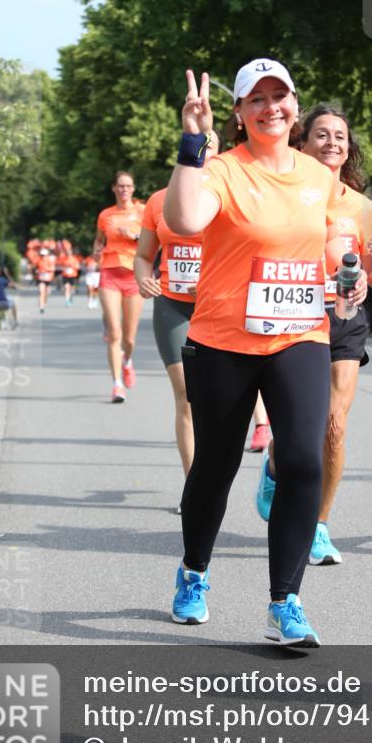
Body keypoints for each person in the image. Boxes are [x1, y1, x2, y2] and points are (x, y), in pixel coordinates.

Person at [164, 58, 343, 647]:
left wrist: (352, 279)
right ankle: (194, 573)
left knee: (302, 460)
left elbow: (335, 252)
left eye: (281, 96)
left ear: (296, 103)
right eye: (257, 99)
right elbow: (185, 218)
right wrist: (193, 142)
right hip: (223, 341)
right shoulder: (220, 170)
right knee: (215, 466)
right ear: (239, 114)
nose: (272, 108)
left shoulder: (320, 177)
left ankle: (284, 604)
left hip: (300, 335)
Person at [256, 105, 372, 565]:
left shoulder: (362, 206)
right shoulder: (283, 194)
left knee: (334, 426)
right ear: (302, 143)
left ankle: (317, 524)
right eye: (322, 134)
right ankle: (275, 465)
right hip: (293, 315)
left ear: (348, 148)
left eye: (340, 136)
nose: (333, 141)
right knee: (299, 428)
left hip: (345, 318)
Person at [134, 132, 220, 511]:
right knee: (186, 395)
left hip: (219, 309)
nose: (204, 154)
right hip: (173, 305)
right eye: (198, 148)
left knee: (218, 399)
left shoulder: (227, 197)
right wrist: (142, 276)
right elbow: (142, 255)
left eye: (211, 147)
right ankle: (195, 487)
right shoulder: (158, 201)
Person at [94, 171, 145, 403]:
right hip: (109, 274)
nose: (124, 189)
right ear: (114, 188)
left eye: (128, 186)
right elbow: (98, 240)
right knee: (115, 332)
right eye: (120, 186)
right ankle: (117, 385)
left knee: (130, 339)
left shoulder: (142, 211)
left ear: (133, 189)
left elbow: (154, 240)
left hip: (134, 276)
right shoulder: (106, 215)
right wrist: (96, 251)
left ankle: (128, 362)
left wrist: (134, 235)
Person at [35, 246, 56, 314]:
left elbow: (53, 269)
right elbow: (35, 269)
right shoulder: (38, 260)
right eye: (41, 255)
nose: (43, 256)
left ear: (47, 255)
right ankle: (41, 307)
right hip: (41, 278)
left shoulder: (50, 261)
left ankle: (43, 303)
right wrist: (37, 271)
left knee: (47, 293)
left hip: (48, 279)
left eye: (44, 255)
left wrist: (46, 270)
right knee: (41, 292)